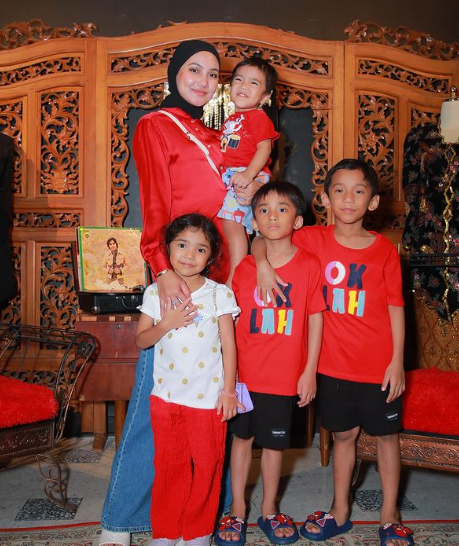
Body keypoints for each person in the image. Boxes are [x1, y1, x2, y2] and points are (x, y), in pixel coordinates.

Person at [99, 40, 261, 546]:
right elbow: (155, 201)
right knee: (154, 406)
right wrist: (162, 266)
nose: (204, 81)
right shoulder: (156, 125)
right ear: (174, 74)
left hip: (222, 279)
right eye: (194, 69)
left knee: (208, 407)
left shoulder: (218, 133)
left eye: (213, 74)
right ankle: (119, 522)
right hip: (177, 274)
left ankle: (196, 519)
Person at [253, 160, 412, 546]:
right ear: (324, 199)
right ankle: (340, 510)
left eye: (359, 191)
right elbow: (263, 238)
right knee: (343, 436)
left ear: (373, 202)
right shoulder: (310, 239)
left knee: (386, 437)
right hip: (332, 365)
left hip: (378, 364)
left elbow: (396, 307)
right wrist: (261, 264)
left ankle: (389, 515)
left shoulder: (384, 251)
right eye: (339, 190)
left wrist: (397, 362)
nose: (348, 198)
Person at [215, 181, 324, 546]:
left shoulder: (309, 265)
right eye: (263, 210)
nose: (272, 216)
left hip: (284, 375)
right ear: (254, 222)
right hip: (245, 375)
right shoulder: (245, 268)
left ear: (298, 221)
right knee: (241, 440)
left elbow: (315, 319)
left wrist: (309, 371)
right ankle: (237, 509)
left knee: (275, 445)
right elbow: (228, 324)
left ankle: (269, 509)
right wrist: (227, 377)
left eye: (282, 209)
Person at [136, 214, 242, 546]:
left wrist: (229, 392)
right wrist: (166, 323)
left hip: (208, 400)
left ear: (210, 258)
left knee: (208, 465)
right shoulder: (155, 292)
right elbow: (141, 339)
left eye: (200, 249)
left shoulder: (219, 295)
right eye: (182, 245)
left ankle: (198, 531)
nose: (189, 255)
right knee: (170, 466)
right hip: (166, 399)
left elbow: (229, 345)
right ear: (168, 248)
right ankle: (167, 531)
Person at [217, 56, 279, 284]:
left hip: (247, 173)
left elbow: (264, 148)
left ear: (265, 97)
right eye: (239, 80)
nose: (244, 85)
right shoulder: (233, 119)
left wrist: (248, 174)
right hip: (235, 173)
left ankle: (235, 278)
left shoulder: (258, 117)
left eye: (254, 83)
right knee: (235, 225)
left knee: (233, 224)